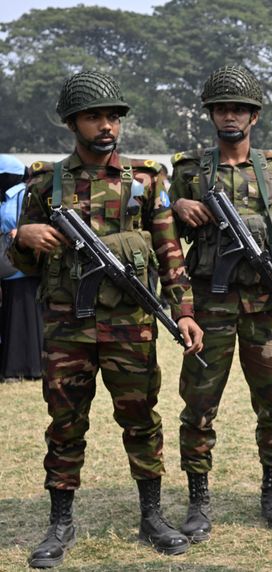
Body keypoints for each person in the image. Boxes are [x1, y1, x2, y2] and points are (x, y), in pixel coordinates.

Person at [11, 70, 204, 568]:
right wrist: (21, 238)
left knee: (141, 421)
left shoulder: (144, 182)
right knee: (65, 423)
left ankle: (152, 516)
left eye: (113, 117)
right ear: (73, 122)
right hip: (66, 326)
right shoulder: (45, 184)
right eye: (94, 116)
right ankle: (60, 522)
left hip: (130, 323)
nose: (106, 126)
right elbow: (25, 263)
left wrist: (183, 311)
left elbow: (169, 250)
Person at [169, 64, 272, 540]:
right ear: (211, 114)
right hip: (210, 306)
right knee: (200, 405)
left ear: (254, 116)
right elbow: (163, 235)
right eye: (222, 108)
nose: (230, 116)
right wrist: (176, 208)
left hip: (265, 309)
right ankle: (198, 499)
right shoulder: (188, 171)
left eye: (239, 109)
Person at [0, 155, 43, 380]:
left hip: (21, 262)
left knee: (24, 311)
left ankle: (29, 367)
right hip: (8, 264)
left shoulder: (21, 194)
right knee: (13, 315)